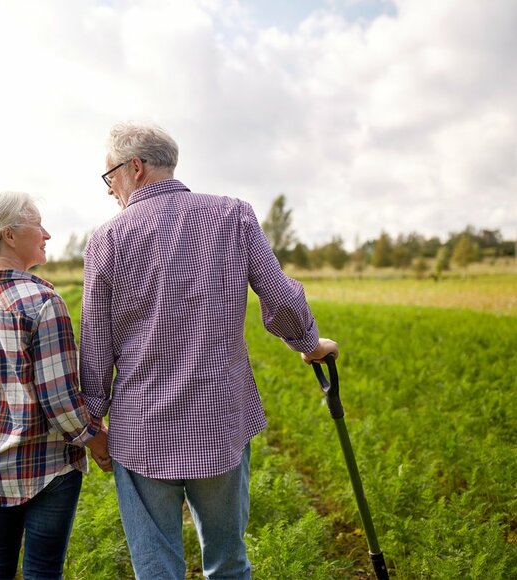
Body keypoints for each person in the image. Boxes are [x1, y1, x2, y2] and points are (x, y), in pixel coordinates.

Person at [79, 122, 339, 579]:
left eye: (109, 176)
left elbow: (96, 342)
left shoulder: (106, 240)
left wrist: (92, 418)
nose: (109, 190)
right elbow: (278, 299)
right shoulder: (232, 215)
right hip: (219, 419)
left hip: (142, 429)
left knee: (156, 568)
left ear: (135, 168)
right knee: (228, 563)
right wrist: (309, 344)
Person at [0, 191, 110, 580]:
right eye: (38, 225)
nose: (47, 234)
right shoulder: (43, 302)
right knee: (42, 572)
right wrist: (96, 440)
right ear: (9, 235)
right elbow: (59, 401)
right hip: (46, 468)